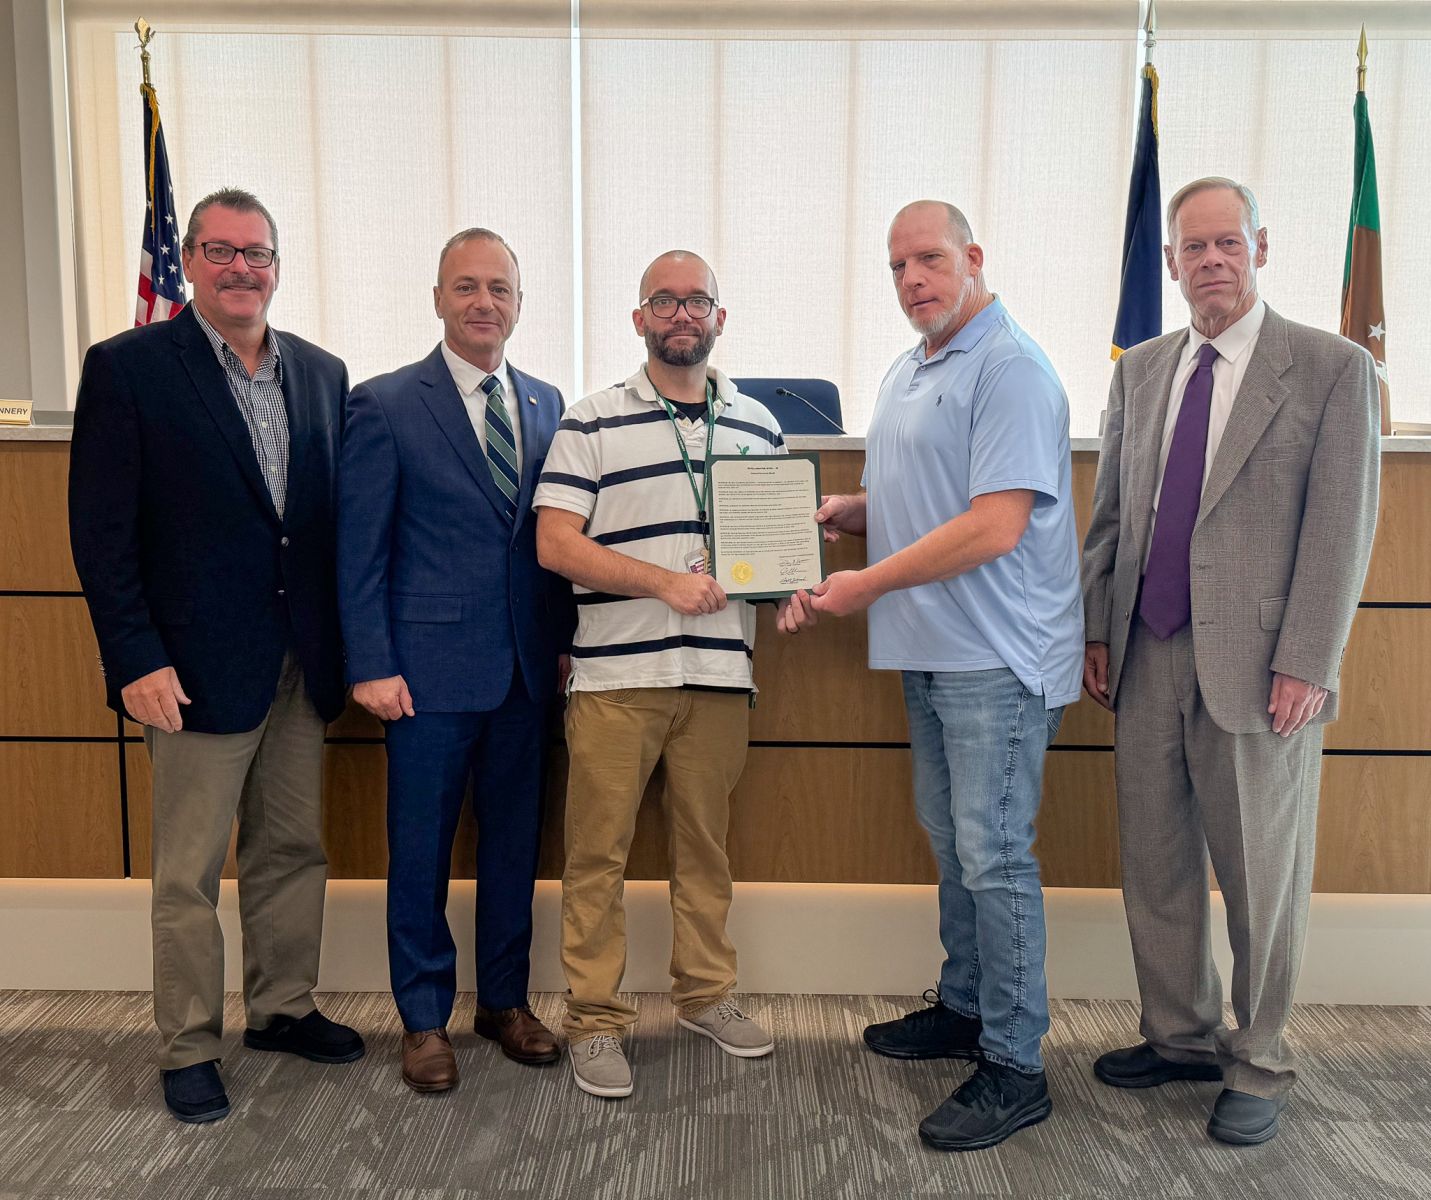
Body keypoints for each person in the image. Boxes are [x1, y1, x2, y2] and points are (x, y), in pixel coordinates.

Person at [1080, 177, 1380, 1145]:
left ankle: (1261, 1058)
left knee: (1261, 875)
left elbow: (1341, 531)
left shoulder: (1331, 370)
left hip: (1261, 669)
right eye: (1193, 248)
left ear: (1260, 246)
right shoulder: (1142, 371)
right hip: (1145, 649)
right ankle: (1178, 1034)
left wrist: (1309, 659)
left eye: (1227, 244)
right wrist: (1096, 626)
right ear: (1169, 264)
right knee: (1156, 864)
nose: (1211, 260)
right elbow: (1113, 518)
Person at [68, 188, 362, 1124]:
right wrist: (133, 658)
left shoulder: (320, 372)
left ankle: (281, 1008)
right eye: (221, 250)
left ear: (279, 264)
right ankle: (188, 1044)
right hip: (187, 668)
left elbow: (316, 530)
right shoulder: (128, 369)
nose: (243, 269)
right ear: (189, 260)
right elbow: (101, 534)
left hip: (297, 662)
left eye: (259, 252)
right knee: (188, 871)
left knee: (292, 849)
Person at [812, 200, 1083, 1152]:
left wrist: (861, 585)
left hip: (995, 659)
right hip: (929, 648)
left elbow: (994, 524)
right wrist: (859, 509)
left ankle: (1014, 1064)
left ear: (973, 256)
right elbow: (934, 495)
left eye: (928, 260)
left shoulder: (1008, 366)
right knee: (955, 840)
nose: (912, 281)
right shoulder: (918, 361)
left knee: (994, 852)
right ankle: (966, 1009)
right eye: (896, 267)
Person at [533, 250, 815, 1099]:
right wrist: (664, 582)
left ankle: (705, 995)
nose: (681, 314)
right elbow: (555, 544)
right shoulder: (589, 421)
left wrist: (790, 585)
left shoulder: (759, 427)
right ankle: (594, 1020)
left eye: (697, 301)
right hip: (617, 680)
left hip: (720, 676)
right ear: (638, 319)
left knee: (706, 851)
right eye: (664, 300)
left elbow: (770, 552)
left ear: (719, 318)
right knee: (596, 855)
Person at [338, 228, 572, 1093]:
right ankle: (424, 1018)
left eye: (499, 288)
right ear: (437, 298)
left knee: (515, 846)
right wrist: (370, 661)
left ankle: (503, 1003)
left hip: (524, 672)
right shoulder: (387, 403)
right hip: (422, 676)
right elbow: (358, 551)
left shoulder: (550, 404)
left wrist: (561, 649)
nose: (484, 303)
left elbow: (554, 545)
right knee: (422, 850)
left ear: (519, 301)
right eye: (465, 287)